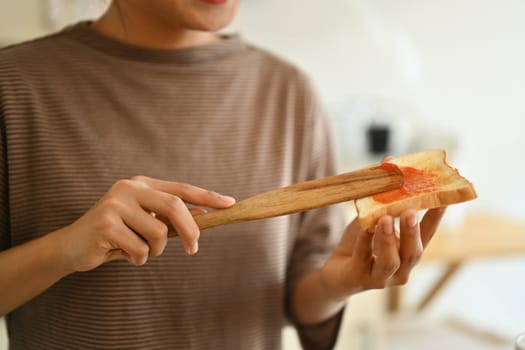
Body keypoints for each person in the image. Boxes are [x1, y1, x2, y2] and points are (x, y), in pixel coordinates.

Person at [0, 1, 446, 349]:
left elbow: (301, 292)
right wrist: (63, 249)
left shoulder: (289, 92)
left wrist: (338, 282)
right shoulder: (14, 86)